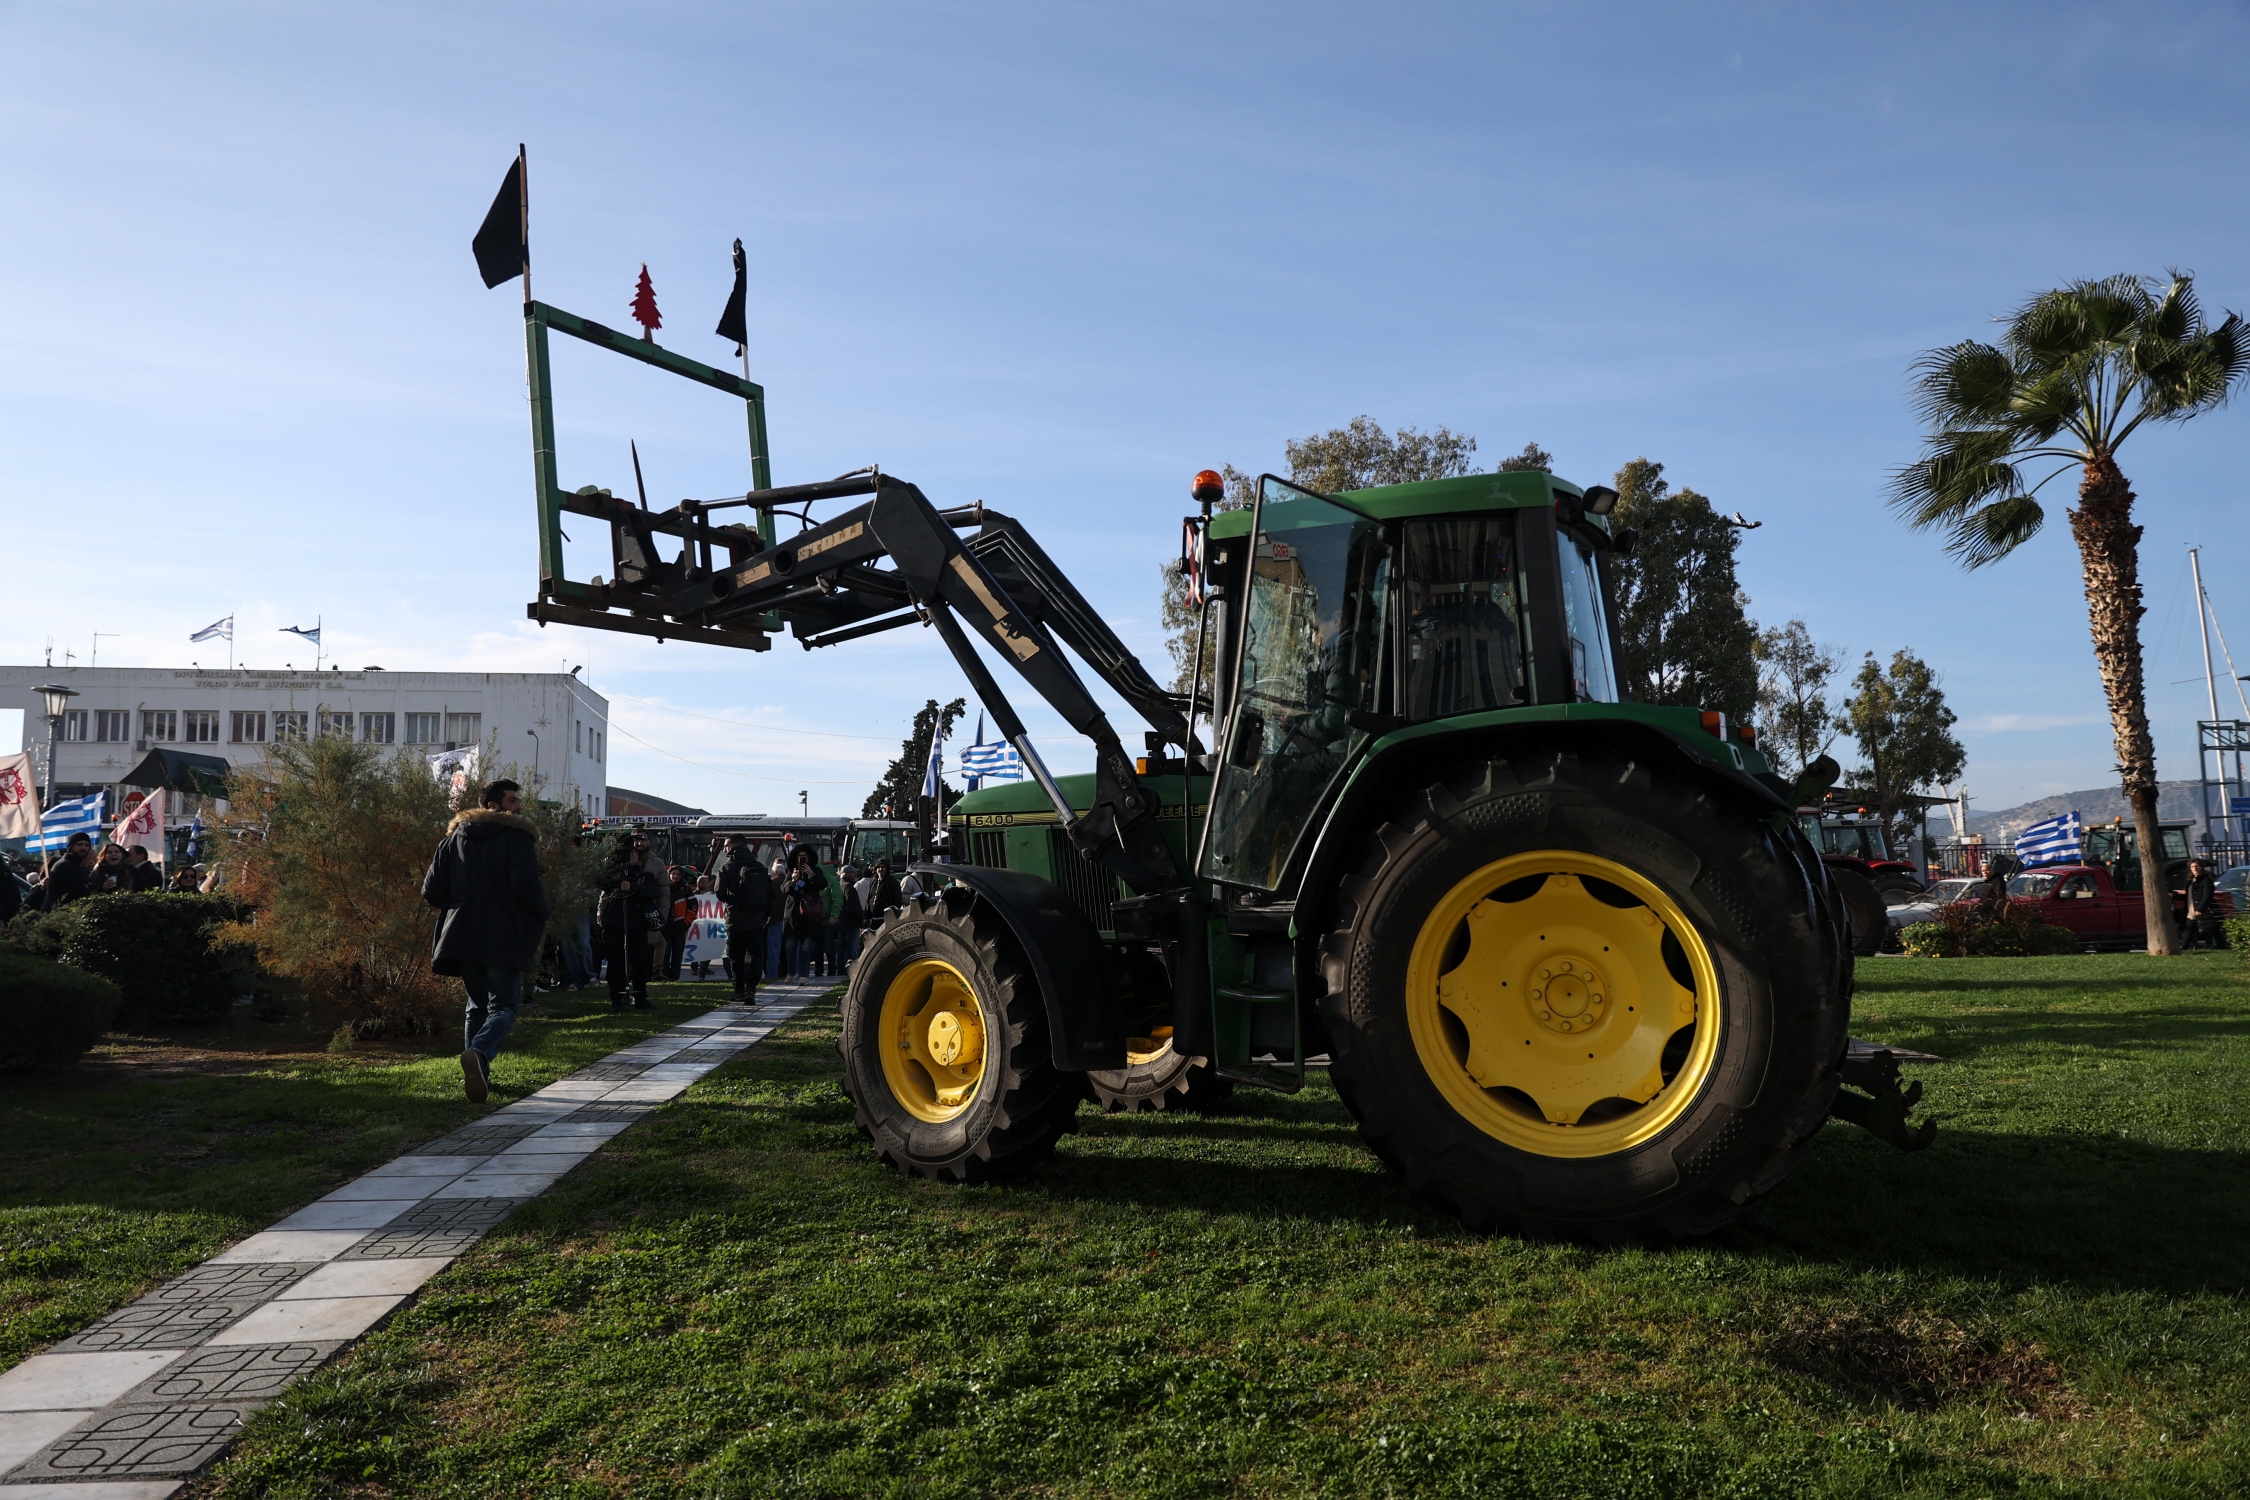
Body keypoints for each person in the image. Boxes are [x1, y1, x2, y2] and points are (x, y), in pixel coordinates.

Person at [421, 777, 551, 1103]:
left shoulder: (452, 840)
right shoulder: (517, 838)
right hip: (503, 932)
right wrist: (541, 913)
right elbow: (526, 886)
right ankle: (479, 1052)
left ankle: (479, 1076)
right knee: (504, 1005)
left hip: (461, 933)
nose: (519, 807)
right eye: (512, 800)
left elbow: (431, 891)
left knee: (476, 1006)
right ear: (493, 805)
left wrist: (460, 904)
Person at [598, 829, 662, 1010]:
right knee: (616, 962)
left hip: (637, 924)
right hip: (615, 923)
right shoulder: (612, 872)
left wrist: (633, 878)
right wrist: (614, 865)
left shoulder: (643, 874)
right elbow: (602, 883)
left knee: (640, 962)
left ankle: (640, 996)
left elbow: (651, 892)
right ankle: (617, 998)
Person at [713, 834, 772, 1004]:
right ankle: (751, 989)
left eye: (726, 846)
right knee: (754, 954)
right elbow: (770, 894)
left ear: (732, 847)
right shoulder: (759, 866)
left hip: (735, 918)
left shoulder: (727, 867)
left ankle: (739, 990)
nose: (725, 849)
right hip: (756, 919)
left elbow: (719, 892)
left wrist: (734, 900)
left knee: (735, 955)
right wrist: (766, 913)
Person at [785, 848, 828, 979]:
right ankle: (792, 972)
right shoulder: (792, 871)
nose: (802, 858)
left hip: (809, 914)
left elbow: (823, 884)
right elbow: (784, 889)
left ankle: (803, 975)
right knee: (790, 946)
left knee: (806, 947)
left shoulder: (816, 870)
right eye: (800, 856)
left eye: (804, 855)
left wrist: (811, 875)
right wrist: (793, 880)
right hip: (793, 915)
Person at [39, 833, 95, 910]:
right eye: (79, 844)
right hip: (58, 913)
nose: (83, 848)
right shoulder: (64, 865)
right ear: (71, 846)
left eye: (86, 845)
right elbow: (76, 893)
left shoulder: (77, 866)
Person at [2184, 858, 2222, 949]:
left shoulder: (2205, 879)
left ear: (2201, 867)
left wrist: (2200, 909)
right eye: (2192, 866)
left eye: (2197, 866)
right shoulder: (2190, 880)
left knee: (2212, 928)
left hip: (2203, 909)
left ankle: (2221, 945)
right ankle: (2183, 948)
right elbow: (2189, 895)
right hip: (2191, 909)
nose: (2195, 868)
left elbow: (2207, 896)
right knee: (2189, 928)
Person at [766, 855, 789, 978]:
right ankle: (790, 973)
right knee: (789, 950)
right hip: (788, 921)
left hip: (774, 920)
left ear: (774, 872)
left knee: (773, 950)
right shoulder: (789, 883)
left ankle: (771, 975)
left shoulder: (771, 883)